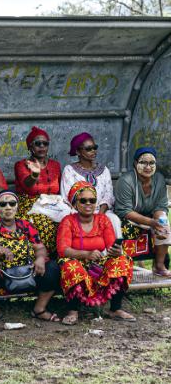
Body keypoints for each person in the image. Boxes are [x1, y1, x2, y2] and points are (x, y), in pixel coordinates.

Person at [0, 190, 60, 326]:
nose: (8, 207)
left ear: (17, 206)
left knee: (53, 268)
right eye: (3, 204)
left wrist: (40, 258)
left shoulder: (25, 225)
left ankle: (39, 309)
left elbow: (40, 247)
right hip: (2, 274)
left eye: (12, 203)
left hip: (30, 271)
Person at [58, 181, 134, 325]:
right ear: (75, 204)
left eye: (92, 200)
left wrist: (116, 251)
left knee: (122, 261)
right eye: (83, 200)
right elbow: (63, 250)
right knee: (71, 267)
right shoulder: (68, 221)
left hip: (97, 261)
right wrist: (86, 254)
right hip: (76, 260)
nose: (88, 204)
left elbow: (111, 245)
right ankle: (72, 310)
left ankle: (115, 308)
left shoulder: (103, 219)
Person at [114, 147, 170, 276]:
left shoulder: (159, 179)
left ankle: (159, 265)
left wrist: (160, 221)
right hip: (128, 218)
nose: (148, 167)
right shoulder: (126, 180)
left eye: (152, 163)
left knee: (164, 223)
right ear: (135, 163)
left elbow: (161, 206)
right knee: (129, 227)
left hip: (150, 217)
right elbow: (124, 210)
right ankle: (123, 266)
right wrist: (151, 222)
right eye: (143, 162)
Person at [60, 133, 121, 237]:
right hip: (78, 213)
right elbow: (67, 197)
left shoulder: (104, 170)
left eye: (94, 147)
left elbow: (108, 196)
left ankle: (116, 251)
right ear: (78, 151)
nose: (93, 151)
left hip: (102, 211)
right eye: (88, 149)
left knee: (114, 220)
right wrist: (86, 213)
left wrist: (100, 215)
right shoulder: (69, 170)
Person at [14, 126, 61, 254]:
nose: (41, 146)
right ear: (30, 147)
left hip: (54, 203)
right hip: (31, 205)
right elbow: (27, 185)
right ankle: (44, 256)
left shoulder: (55, 165)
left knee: (69, 220)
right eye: (37, 143)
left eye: (45, 143)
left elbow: (59, 189)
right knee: (44, 224)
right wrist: (35, 174)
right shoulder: (21, 165)